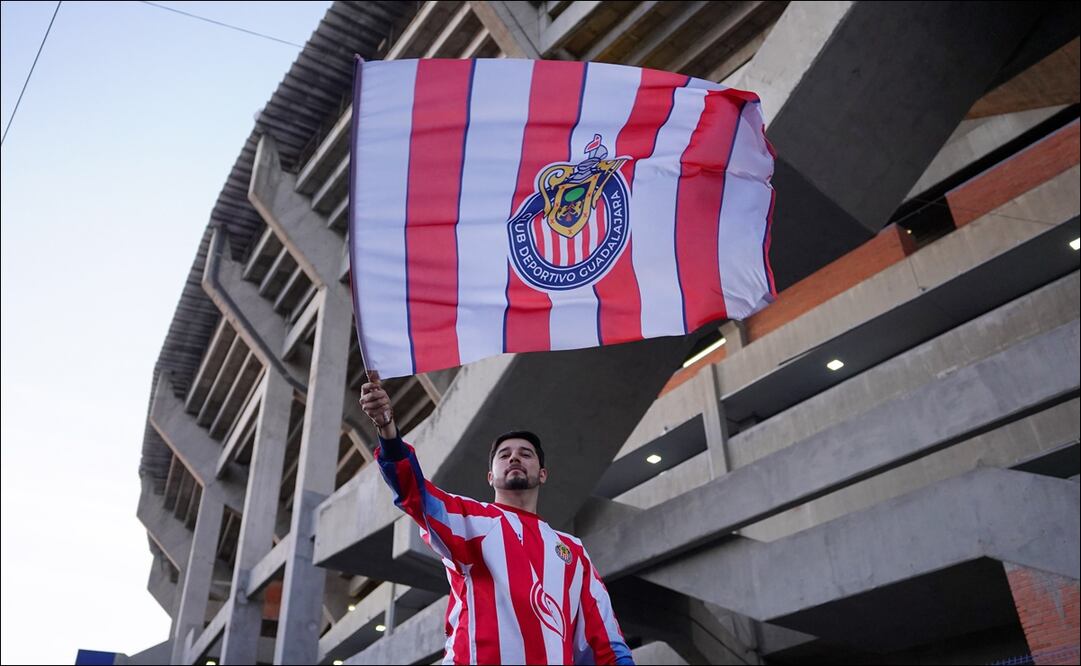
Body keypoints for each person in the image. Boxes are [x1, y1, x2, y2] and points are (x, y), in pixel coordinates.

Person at [361, 371, 635, 666]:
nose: (514, 458)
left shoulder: (574, 552)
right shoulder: (471, 521)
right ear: (491, 476)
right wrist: (387, 429)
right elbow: (415, 493)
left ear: (543, 474)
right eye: (504, 455)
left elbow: (605, 643)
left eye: (526, 454)